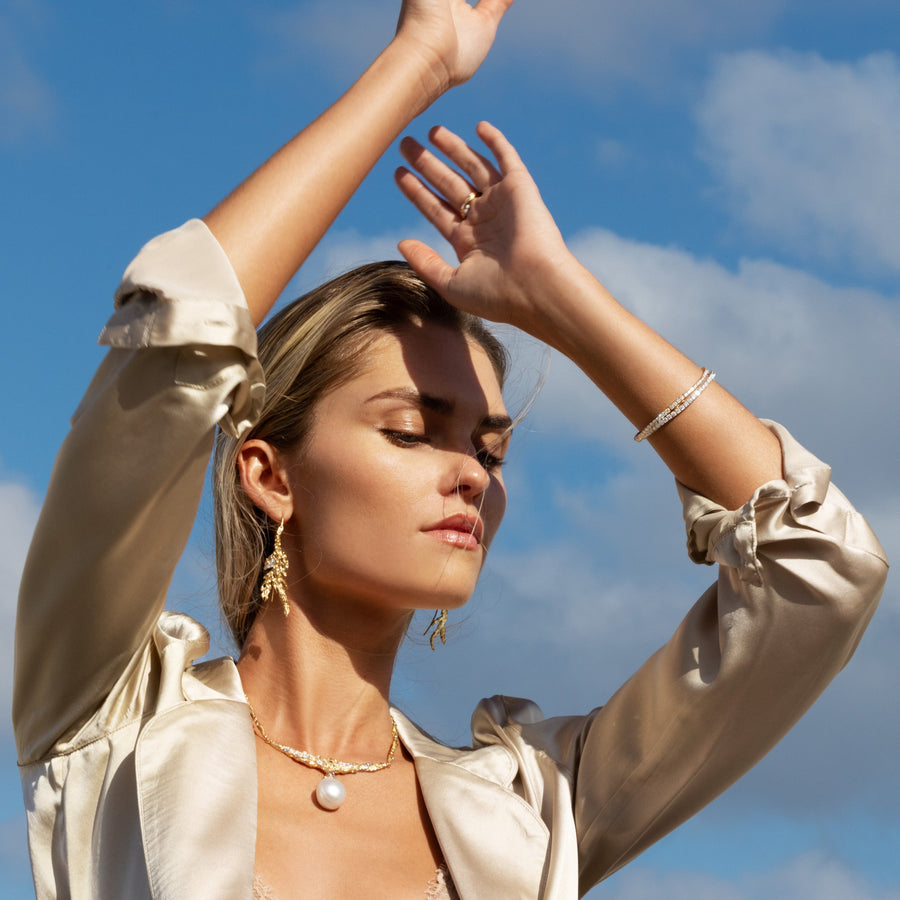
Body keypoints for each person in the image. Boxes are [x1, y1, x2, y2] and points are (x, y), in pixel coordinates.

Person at [13, 1, 887, 898]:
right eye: (409, 430)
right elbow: (174, 341)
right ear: (270, 475)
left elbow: (816, 572)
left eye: (493, 451)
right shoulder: (113, 723)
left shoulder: (531, 811)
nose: (471, 472)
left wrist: (561, 303)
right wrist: (419, 63)